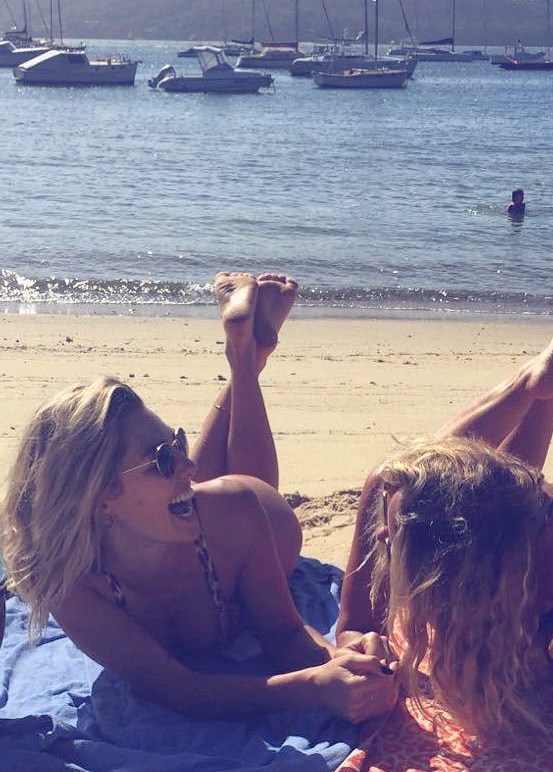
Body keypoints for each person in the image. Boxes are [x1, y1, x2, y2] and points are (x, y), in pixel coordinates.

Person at [0, 272, 398, 722]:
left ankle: (245, 359)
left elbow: (284, 633)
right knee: (186, 491)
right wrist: (311, 688)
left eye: (178, 443)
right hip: (186, 515)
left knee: (222, 488)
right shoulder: (74, 587)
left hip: (261, 521)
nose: (186, 463)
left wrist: (342, 663)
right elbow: (178, 688)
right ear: (99, 497)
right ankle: (246, 357)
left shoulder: (232, 511)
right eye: (161, 459)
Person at [337, 237, 553, 735]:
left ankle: (551, 361)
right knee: (397, 471)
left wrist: (545, 644)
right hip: (483, 523)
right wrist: (358, 649)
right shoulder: (389, 493)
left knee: (516, 473)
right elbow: (354, 623)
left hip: (520, 534)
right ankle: (536, 375)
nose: (380, 534)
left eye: (394, 535)